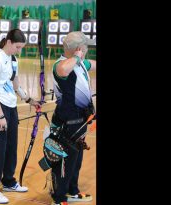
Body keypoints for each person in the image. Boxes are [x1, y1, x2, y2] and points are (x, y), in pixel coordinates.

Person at [0, 28, 40, 204]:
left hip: (11, 107)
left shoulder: (13, 58)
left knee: (11, 147)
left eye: (21, 47)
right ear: (8, 42)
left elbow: (15, 83)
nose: (19, 51)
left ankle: (8, 181)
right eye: (17, 47)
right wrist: (0, 116)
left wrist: (29, 99)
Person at [49, 31, 96, 205]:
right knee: (65, 162)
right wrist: (77, 57)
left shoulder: (79, 63)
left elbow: (91, 64)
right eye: (85, 47)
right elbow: (62, 70)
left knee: (76, 161)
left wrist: (79, 59)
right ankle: (59, 198)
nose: (87, 50)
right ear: (79, 49)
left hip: (80, 121)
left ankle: (71, 191)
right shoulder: (60, 64)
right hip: (67, 124)